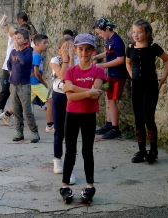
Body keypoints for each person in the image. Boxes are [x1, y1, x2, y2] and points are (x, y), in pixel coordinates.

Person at [59, 33, 106, 204]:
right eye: (80, 49)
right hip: (72, 115)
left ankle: (90, 185)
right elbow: (70, 98)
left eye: (88, 49)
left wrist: (73, 87)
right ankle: (64, 185)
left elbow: (95, 95)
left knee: (88, 151)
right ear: (76, 51)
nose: (84, 52)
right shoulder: (71, 71)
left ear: (93, 51)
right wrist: (87, 92)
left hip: (88, 116)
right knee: (70, 150)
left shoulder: (98, 70)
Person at [126, 19, 168, 164]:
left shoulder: (153, 47)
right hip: (136, 86)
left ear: (147, 33)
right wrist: (132, 76)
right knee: (138, 117)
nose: (135, 35)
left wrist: (163, 78)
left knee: (149, 117)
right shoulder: (130, 48)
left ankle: (153, 151)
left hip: (150, 85)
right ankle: (141, 151)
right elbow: (128, 62)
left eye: (139, 32)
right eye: (133, 32)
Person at [92, 18, 128, 139]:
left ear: (107, 29)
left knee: (112, 100)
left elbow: (120, 59)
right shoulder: (109, 40)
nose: (100, 35)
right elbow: (107, 53)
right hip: (110, 75)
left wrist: (102, 65)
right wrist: (95, 57)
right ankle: (108, 123)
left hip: (118, 76)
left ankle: (115, 127)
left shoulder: (117, 41)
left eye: (100, 33)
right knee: (108, 98)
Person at [50, 36, 79, 184]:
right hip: (59, 98)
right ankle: (57, 160)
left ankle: (70, 167)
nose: (68, 50)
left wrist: (72, 58)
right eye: (65, 47)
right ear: (59, 50)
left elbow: (73, 76)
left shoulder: (78, 60)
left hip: (72, 99)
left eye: (71, 47)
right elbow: (62, 75)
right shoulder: (55, 60)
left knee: (71, 134)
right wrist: (66, 59)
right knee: (59, 132)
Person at [0, 12, 35, 120]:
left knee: (19, 93)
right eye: (18, 36)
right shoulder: (14, 37)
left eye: (26, 34)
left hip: (20, 71)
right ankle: (0, 109)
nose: (18, 38)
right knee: (5, 90)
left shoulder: (27, 46)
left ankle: (15, 113)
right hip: (8, 68)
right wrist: (4, 20)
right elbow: (8, 29)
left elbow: (26, 60)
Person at [7, 29, 40, 143]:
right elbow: (9, 63)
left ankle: (34, 132)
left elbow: (24, 62)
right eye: (15, 38)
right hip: (13, 84)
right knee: (16, 110)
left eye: (19, 38)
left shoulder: (28, 52)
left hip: (24, 85)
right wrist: (10, 71)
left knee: (27, 111)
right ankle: (19, 132)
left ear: (26, 40)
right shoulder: (13, 52)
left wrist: (18, 50)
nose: (16, 40)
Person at [29, 34, 54, 132]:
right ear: (37, 44)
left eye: (47, 42)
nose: (47, 45)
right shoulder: (36, 56)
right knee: (50, 100)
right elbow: (36, 73)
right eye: (44, 43)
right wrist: (43, 82)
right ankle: (50, 125)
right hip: (36, 84)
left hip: (33, 83)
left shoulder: (37, 55)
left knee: (24, 103)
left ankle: (7, 114)